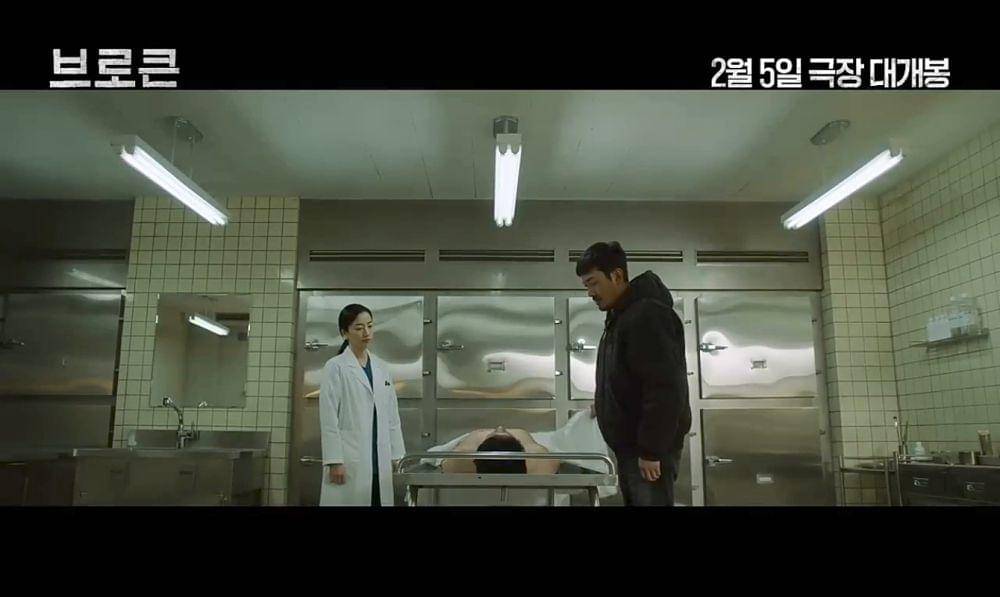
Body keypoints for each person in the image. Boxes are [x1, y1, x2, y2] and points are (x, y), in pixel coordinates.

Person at [576, 241, 691, 506]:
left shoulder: (646, 316)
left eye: (593, 283)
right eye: (586, 286)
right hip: (634, 447)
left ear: (616, 276)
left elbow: (664, 388)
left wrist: (651, 451)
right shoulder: (622, 316)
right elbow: (631, 377)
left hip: (646, 449)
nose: (590, 293)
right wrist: (607, 403)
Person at [319, 304, 406, 506]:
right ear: (344, 333)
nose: (366, 332)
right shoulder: (335, 367)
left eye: (370, 326)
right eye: (358, 328)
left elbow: (392, 416)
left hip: (379, 458)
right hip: (349, 459)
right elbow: (328, 418)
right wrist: (334, 460)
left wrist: (397, 455)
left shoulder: (381, 367)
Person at [440, 426, 560, 475]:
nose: (500, 426)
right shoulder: (537, 455)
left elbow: (446, 464)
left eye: (493, 434)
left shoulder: (462, 455)